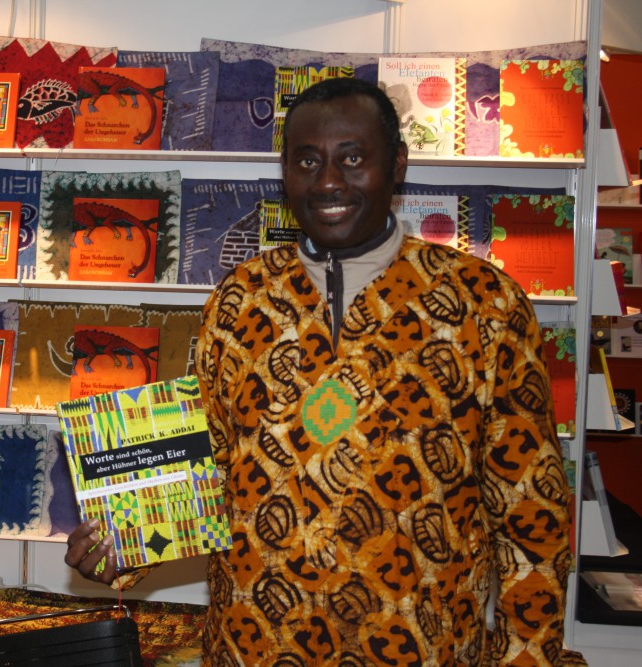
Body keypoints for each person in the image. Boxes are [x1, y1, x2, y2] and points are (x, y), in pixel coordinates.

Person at [64, 77, 576, 665]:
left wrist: (526, 657)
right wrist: (126, 545)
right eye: (307, 161)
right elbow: (198, 471)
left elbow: (533, 512)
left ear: (397, 166)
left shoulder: (484, 303)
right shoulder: (240, 299)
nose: (329, 181)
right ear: (286, 173)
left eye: (353, 159)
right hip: (255, 644)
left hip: (421, 648)